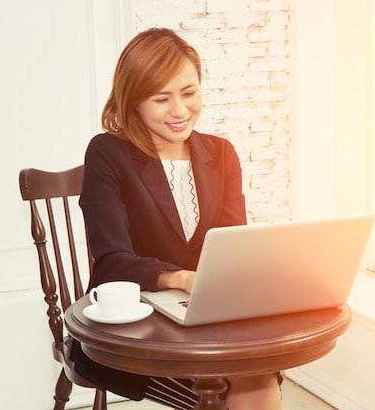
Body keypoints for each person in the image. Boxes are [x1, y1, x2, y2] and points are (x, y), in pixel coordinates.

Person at [71, 27, 282, 410]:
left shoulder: (221, 154)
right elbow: (111, 262)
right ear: (133, 100)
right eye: (161, 98)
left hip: (208, 319)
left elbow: (231, 250)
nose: (180, 111)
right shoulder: (107, 153)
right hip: (140, 324)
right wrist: (181, 278)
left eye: (189, 93)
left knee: (258, 374)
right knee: (242, 381)